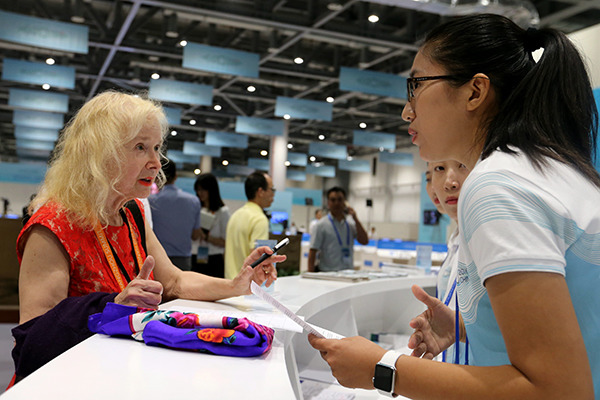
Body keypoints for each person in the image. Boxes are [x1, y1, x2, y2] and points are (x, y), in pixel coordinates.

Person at [309, 13, 599, 399]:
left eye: (416, 85)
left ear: (475, 92)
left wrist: (383, 368)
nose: (406, 110)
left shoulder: (498, 184)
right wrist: (474, 325)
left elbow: (557, 390)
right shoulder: (559, 169)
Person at [12, 91, 283, 384]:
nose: (156, 162)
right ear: (100, 153)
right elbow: (33, 339)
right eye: (140, 147)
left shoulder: (131, 216)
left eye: (156, 148)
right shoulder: (53, 224)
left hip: (113, 371)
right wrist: (111, 306)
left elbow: (175, 282)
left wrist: (236, 284)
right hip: (67, 382)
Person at [428, 160, 470, 364]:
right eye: (439, 170)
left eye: (462, 164)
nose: (450, 183)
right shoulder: (455, 239)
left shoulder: (485, 240)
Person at [149, 158, 201, 271]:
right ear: (176, 176)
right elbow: (196, 235)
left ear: (157, 177)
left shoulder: (150, 202)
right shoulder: (193, 201)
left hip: (157, 261)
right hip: (183, 261)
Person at [224, 171, 275, 280]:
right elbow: (259, 259)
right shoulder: (259, 219)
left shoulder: (235, 215)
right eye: (272, 189)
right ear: (260, 191)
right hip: (247, 288)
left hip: (230, 284)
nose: (273, 194)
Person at [308, 187, 368, 272]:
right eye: (333, 200)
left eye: (340, 200)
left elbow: (364, 241)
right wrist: (310, 276)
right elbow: (313, 251)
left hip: (348, 273)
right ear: (328, 203)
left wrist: (355, 218)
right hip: (327, 273)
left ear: (345, 202)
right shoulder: (321, 225)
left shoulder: (351, 223)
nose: (337, 203)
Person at [192, 173, 230, 278]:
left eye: (203, 190)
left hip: (214, 259)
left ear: (211, 190)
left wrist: (207, 237)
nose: (200, 193)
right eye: (198, 190)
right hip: (196, 256)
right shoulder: (196, 208)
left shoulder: (223, 212)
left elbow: (226, 241)